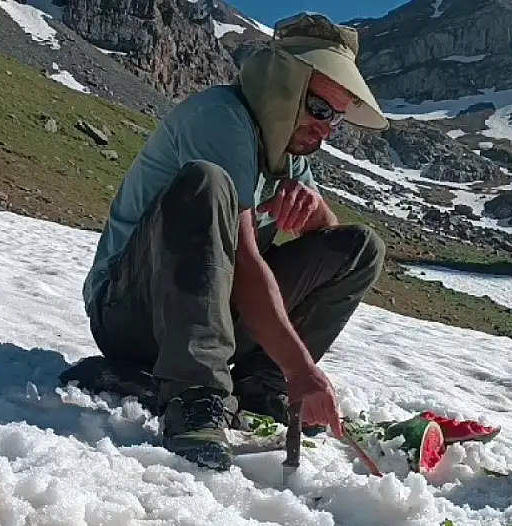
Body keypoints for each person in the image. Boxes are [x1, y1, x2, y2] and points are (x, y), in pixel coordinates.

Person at [73, 12, 390, 471]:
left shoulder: (284, 148)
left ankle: (263, 385)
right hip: (128, 313)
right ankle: (195, 395)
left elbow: (331, 245)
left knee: (361, 247)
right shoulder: (220, 119)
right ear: (285, 88)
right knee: (208, 184)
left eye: (337, 118)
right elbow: (242, 263)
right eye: (320, 109)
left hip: (204, 312)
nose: (325, 128)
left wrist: (314, 210)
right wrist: (302, 369)